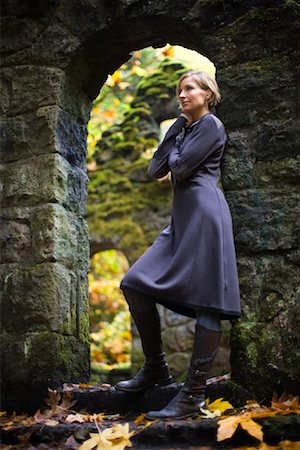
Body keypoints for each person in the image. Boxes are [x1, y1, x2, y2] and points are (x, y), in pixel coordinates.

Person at [115, 71, 241, 420]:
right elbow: (157, 169)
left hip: (205, 214)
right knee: (134, 284)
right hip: (181, 219)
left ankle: (193, 396)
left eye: (189, 89)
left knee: (208, 304)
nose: (182, 95)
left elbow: (181, 169)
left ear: (208, 93)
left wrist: (176, 145)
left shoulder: (211, 125)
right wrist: (173, 130)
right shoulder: (183, 129)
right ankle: (156, 369)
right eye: (179, 90)